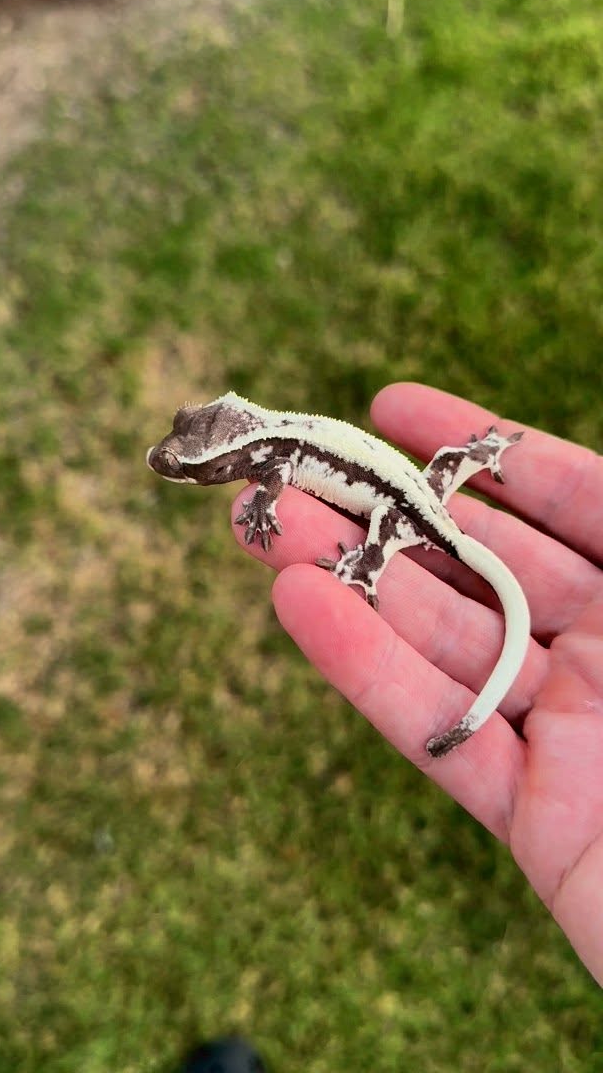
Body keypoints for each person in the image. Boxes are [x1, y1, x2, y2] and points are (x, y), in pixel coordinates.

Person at [230, 382, 603, 989]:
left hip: (405, 514)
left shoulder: (274, 460)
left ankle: (367, 570)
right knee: (434, 477)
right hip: (419, 492)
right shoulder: (274, 443)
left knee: (382, 531)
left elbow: (333, 501)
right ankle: (478, 457)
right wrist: (481, 454)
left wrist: (363, 561)